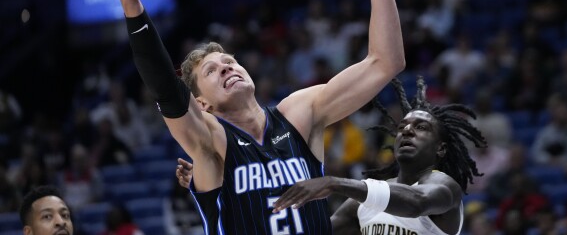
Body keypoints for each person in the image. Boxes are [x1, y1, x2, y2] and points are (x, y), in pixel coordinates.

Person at [109, 0, 406, 234]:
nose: (225, 67)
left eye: (229, 61)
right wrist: (132, 6)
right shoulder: (211, 142)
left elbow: (386, 62)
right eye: (211, 71)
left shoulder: (298, 113)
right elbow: (165, 87)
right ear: (202, 104)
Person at [178, 77, 487, 235]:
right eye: (403, 126)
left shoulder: (445, 187)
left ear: (441, 148)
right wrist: (222, 184)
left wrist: (334, 183)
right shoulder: (362, 204)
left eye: (420, 128)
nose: (407, 131)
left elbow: (416, 203)